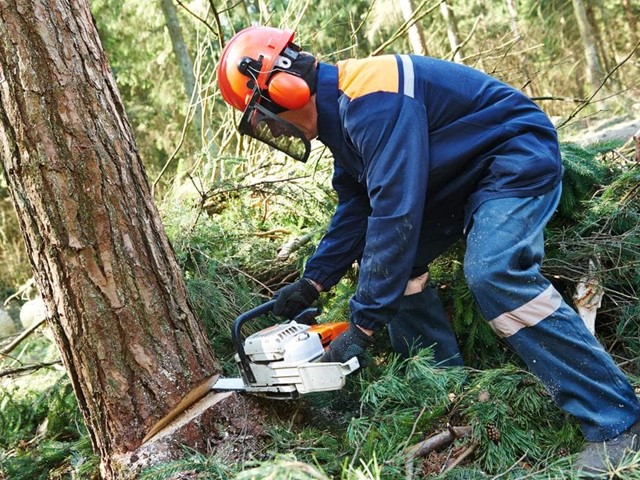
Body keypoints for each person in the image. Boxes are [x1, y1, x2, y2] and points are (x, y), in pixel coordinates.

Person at [216, 26, 640, 473]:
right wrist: (312, 281)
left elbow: (394, 214)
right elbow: (356, 208)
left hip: (513, 158)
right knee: (397, 267)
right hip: (457, 178)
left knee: (494, 273)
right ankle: (445, 392)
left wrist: (361, 328)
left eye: (264, 116)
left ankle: (617, 420)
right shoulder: (341, 115)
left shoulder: (372, 101)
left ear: (285, 87)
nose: (271, 127)